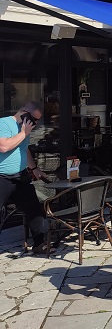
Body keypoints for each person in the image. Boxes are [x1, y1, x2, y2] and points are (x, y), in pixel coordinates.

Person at [0, 102, 50, 255]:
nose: (35, 124)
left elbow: (24, 149)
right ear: (24, 113)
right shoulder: (4, 123)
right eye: (33, 119)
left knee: (33, 208)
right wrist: (23, 132)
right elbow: (4, 146)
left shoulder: (25, 130)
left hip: (20, 176)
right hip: (2, 177)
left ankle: (39, 244)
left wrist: (34, 168)